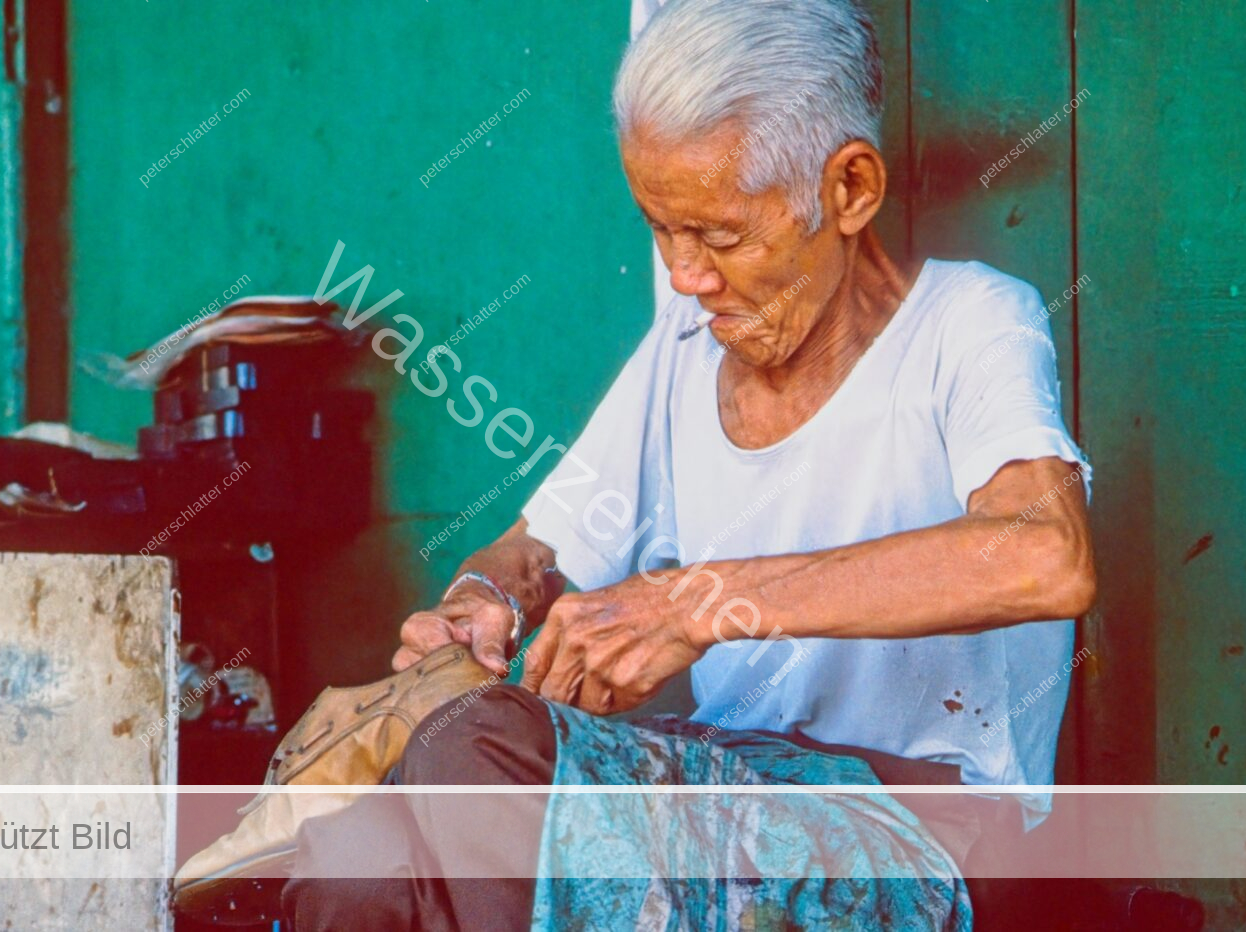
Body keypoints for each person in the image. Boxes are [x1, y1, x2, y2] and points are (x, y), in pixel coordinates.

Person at [286, 0, 1095, 927]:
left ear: (850, 191)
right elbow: (537, 549)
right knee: (360, 850)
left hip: (935, 828)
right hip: (734, 782)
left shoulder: (972, 322)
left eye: (718, 236)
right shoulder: (686, 345)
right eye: (662, 229)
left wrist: (689, 605)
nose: (683, 274)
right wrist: (481, 605)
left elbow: (1047, 557)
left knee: (482, 748)